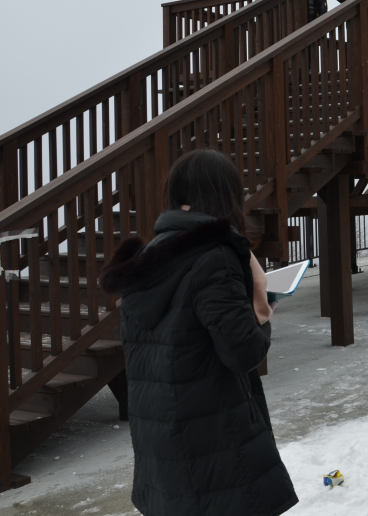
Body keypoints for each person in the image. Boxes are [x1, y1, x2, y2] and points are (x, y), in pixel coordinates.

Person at [98, 149, 297, 516]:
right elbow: (243, 352)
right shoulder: (215, 257)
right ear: (225, 195)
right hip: (213, 440)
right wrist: (261, 310)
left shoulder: (147, 258)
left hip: (162, 438)